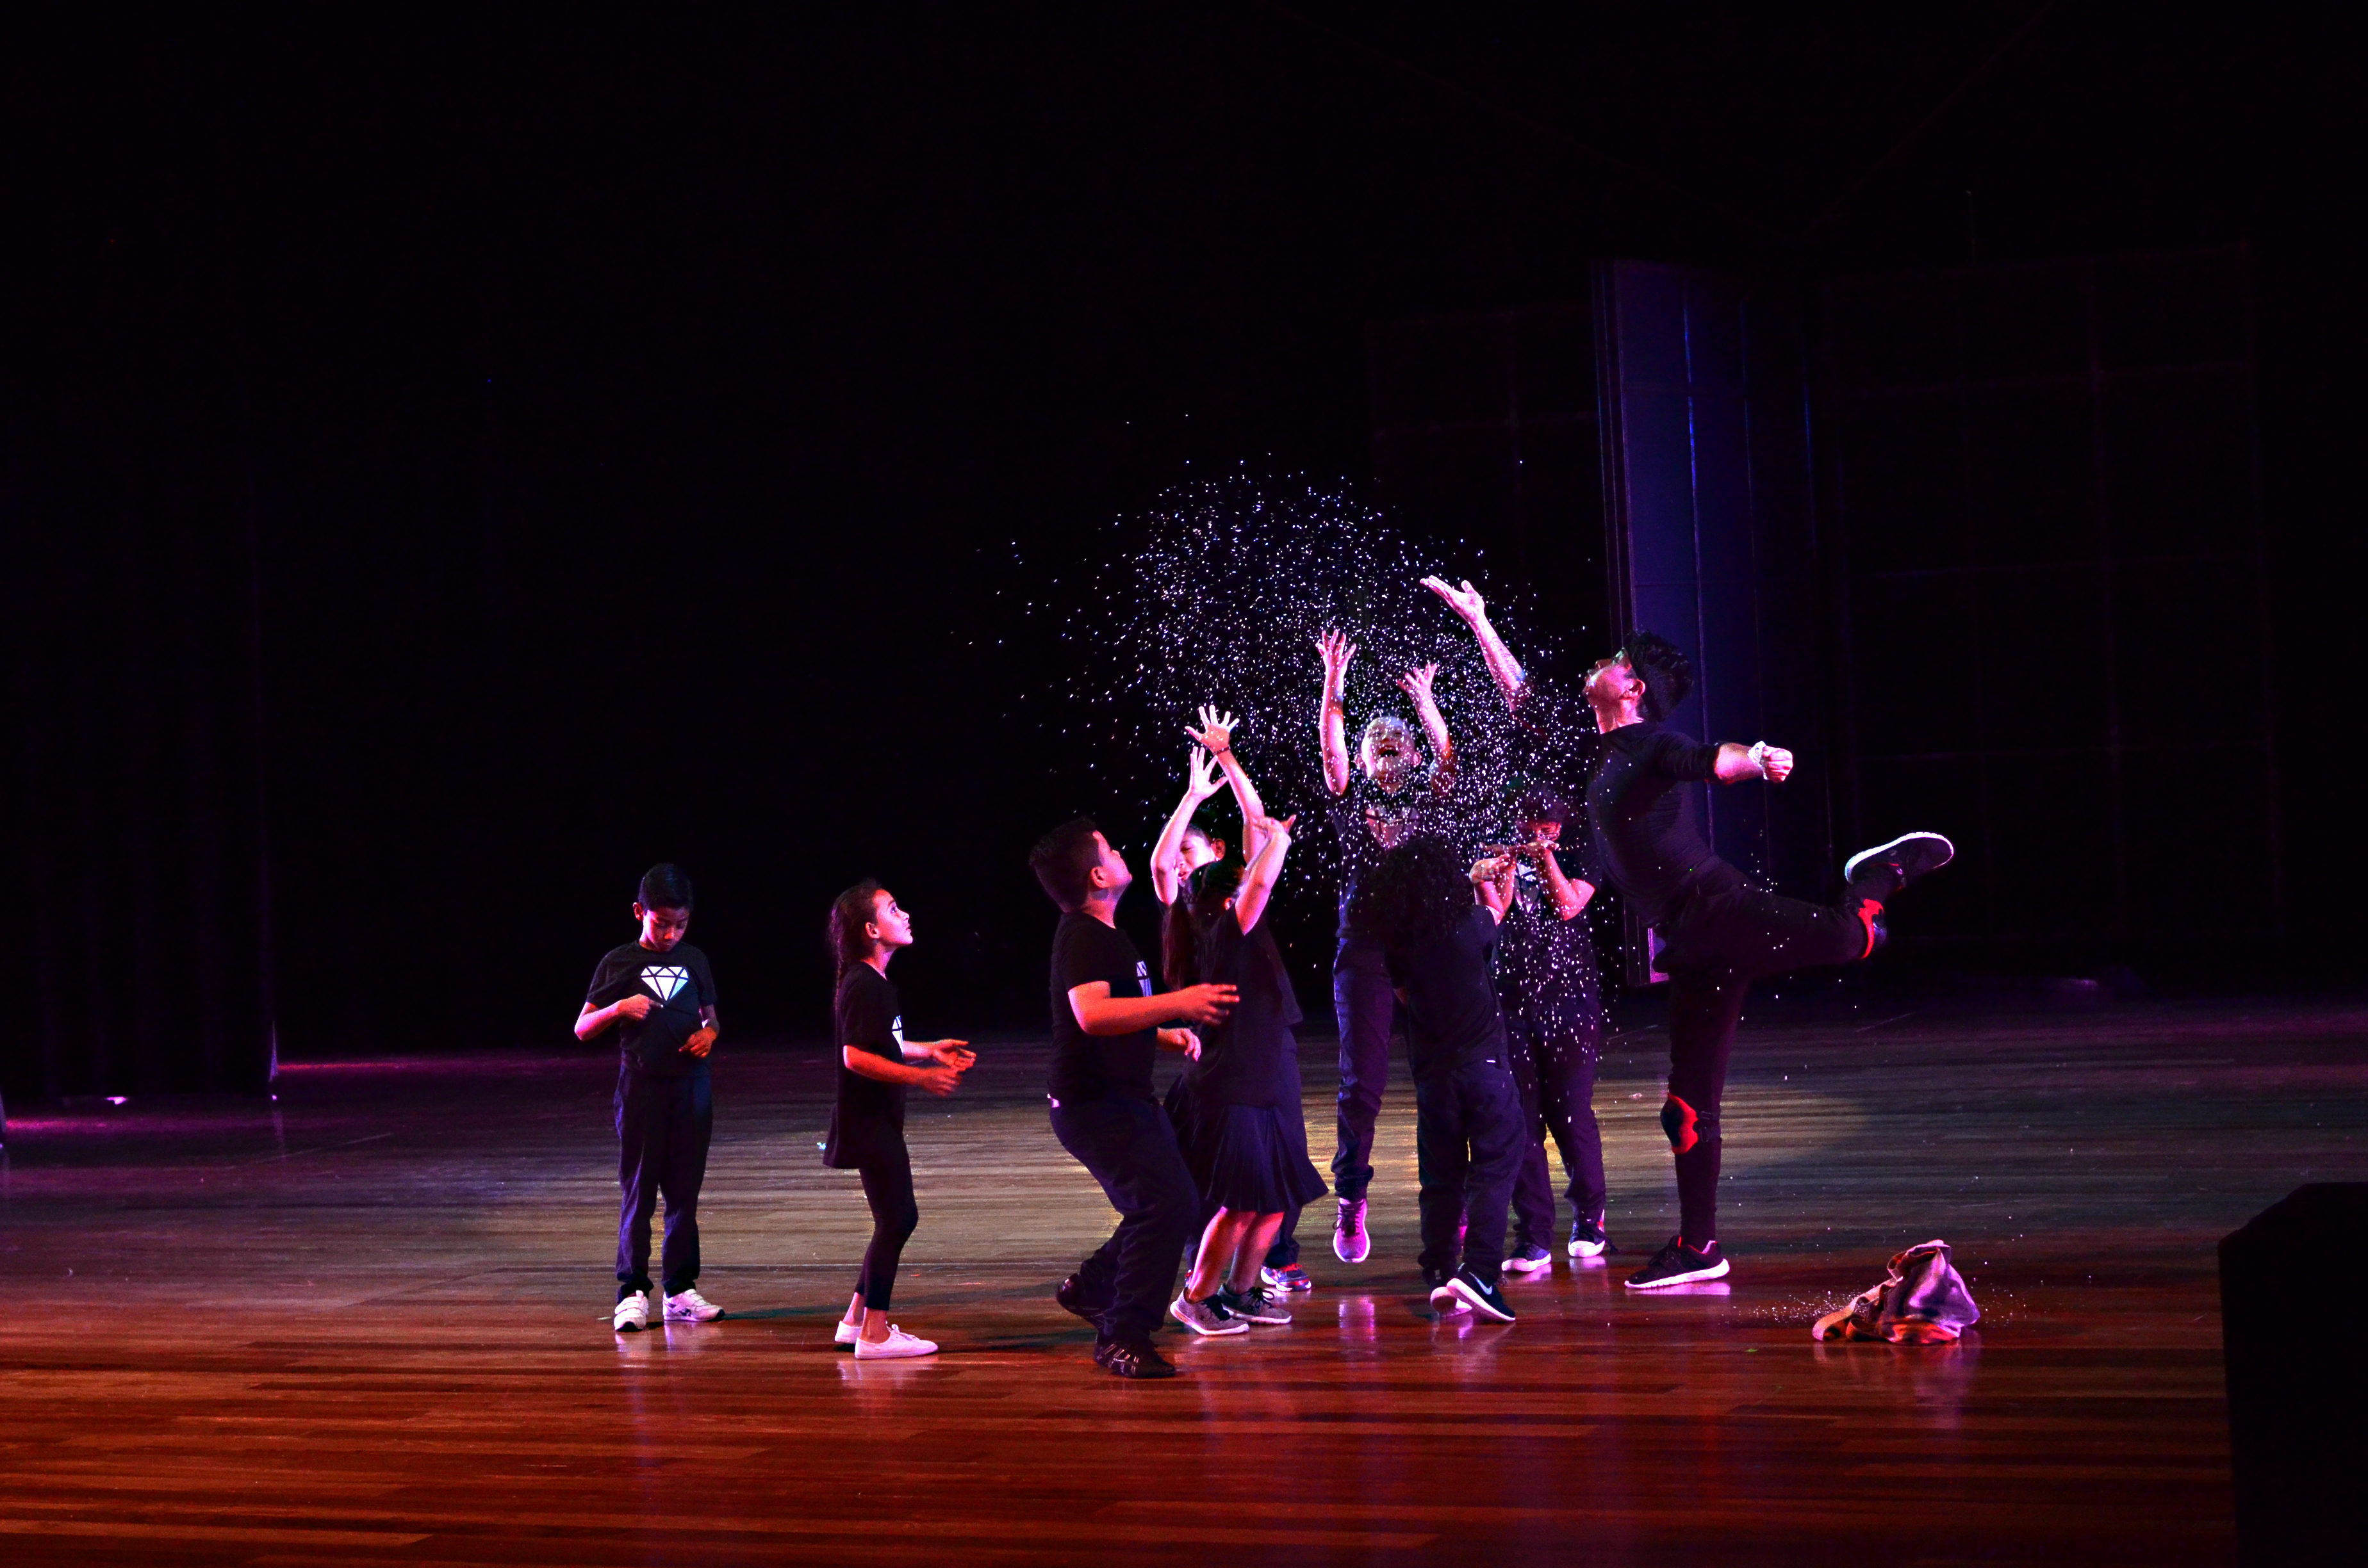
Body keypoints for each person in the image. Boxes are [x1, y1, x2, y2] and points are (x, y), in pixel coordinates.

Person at [1425, 575, 1953, 1289]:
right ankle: (1700, 1249)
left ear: (1634, 688)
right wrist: (1480, 620)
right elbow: (1522, 699)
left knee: (1858, 938)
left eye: (1617, 659)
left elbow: (1710, 760)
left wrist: (1758, 757)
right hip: (1692, 943)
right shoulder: (1598, 754)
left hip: (1720, 910)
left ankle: (1874, 876)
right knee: (1685, 1112)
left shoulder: (1650, 746)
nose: (1602, 663)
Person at [1031, 817, 1238, 1380]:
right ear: (1098, 875)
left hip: (1121, 1098)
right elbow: (1092, 1015)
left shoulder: (1106, 934)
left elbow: (1115, 1013)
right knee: (1165, 1206)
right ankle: (1122, 1334)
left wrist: (1163, 1032)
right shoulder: (1083, 935)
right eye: (1112, 850)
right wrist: (1181, 1003)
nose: (1123, 852)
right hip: (1093, 1107)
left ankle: (1092, 1287)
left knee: (1170, 1203)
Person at [1153, 710, 1315, 1294]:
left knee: (1273, 1173)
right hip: (1225, 1054)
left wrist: (1225, 759)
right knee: (1236, 1181)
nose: (1183, 869)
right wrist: (1195, 799)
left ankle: (1250, 1277)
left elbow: (1255, 824)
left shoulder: (1233, 909)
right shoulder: (1195, 920)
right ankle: (1206, 1284)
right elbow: (1165, 866)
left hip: (1265, 1042)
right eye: (1181, 865)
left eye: (1193, 859)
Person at [1315, 630, 1458, 1267]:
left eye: (1397, 745)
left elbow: (1450, 760)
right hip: (1365, 946)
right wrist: (1334, 684)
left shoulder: (1430, 795)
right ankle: (1351, 1197)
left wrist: (1427, 701)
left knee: (1444, 1076)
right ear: (1368, 762)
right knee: (1362, 1084)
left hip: (1424, 945)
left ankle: (1448, 1205)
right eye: (1377, 747)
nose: (1386, 753)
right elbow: (1330, 754)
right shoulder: (1355, 798)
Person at [1162, 809, 1328, 1336]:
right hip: (1235, 1083)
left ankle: (1241, 1292)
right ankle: (1196, 1298)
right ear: (1230, 902)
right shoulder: (1222, 937)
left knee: (1274, 1201)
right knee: (1240, 1204)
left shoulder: (1239, 933)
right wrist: (1278, 837)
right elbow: (1261, 872)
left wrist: (1233, 769)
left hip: (1268, 1075)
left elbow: (1255, 871)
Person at [1349, 835, 1525, 1324]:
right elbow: (1494, 916)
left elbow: (1407, 998)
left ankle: (1441, 1269)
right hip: (1483, 1068)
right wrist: (1495, 893)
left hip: (1433, 1075)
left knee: (1441, 1175)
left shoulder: (1398, 944)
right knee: (1497, 1162)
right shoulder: (1469, 926)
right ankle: (1480, 1274)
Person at [823, 881, 977, 1360]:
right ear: (871, 930)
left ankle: (854, 1321)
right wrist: (921, 1078)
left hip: (875, 1120)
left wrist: (928, 1049)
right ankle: (875, 1333)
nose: (905, 914)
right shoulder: (865, 985)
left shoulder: (873, 982)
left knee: (892, 1218)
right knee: (898, 1218)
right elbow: (854, 1057)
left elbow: (880, 1045)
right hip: (869, 1122)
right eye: (893, 909)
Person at [576, 863, 724, 1334]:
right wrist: (620, 1007)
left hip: (691, 1088)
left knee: (685, 1193)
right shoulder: (618, 962)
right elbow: (582, 1027)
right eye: (662, 924)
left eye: (680, 925)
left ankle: (680, 1291)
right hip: (641, 1088)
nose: (671, 934)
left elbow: (712, 1019)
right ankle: (632, 1291)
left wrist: (710, 1036)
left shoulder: (695, 960)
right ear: (640, 912)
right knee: (639, 1191)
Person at [1488, 788, 1611, 1274]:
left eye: (1546, 826)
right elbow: (1494, 914)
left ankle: (1589, 1219)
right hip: (1511, 1001)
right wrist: (1499, 872)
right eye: (1528, 825)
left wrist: (1545, 861)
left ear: (1560, 826)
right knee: (1521, 1121)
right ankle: (1533, 1234)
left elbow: (1566, 905)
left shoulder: (1583, 853)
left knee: (1571, 1116)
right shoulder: (1500, 850)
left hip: (1570, 1002)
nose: (1536, 834)